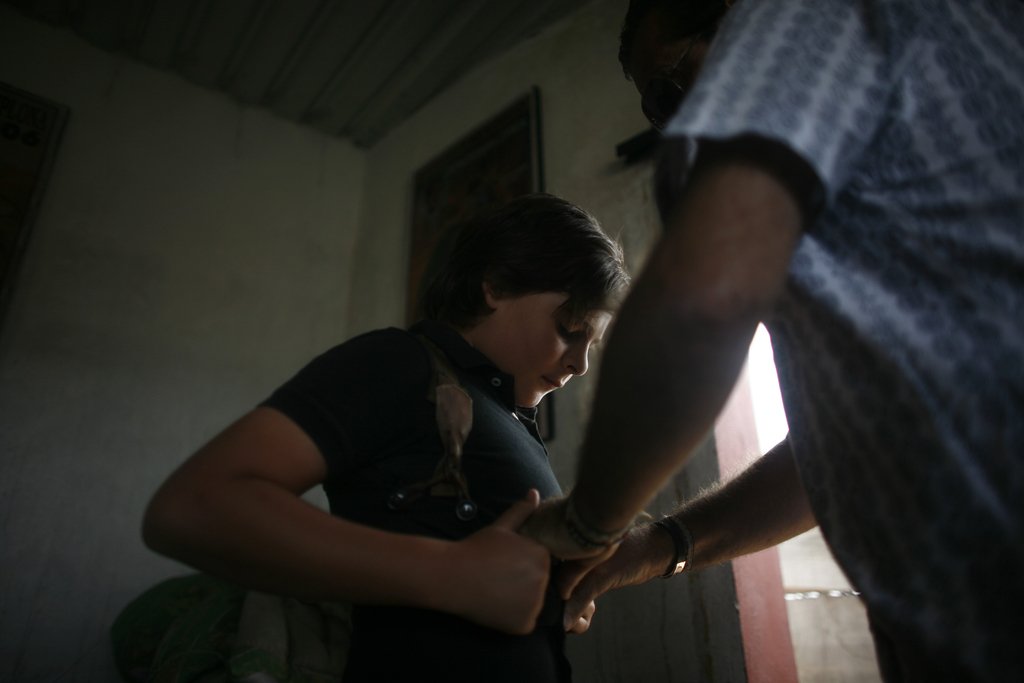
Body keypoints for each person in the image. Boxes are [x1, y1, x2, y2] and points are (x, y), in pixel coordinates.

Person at [522, 1, 1024, 681]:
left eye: (665, 93)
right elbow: (836, 453)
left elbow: (700, 305)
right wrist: (656, 546)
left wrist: (587, 524)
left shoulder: (803, 19)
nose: (677, 124)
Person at [143, 192, 630, 682]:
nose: (581, 364)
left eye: (594, 343)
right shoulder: (402, 363)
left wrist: (554, 596)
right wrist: (452, 572)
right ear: (496, 286)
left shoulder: (516, 422)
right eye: (569, 328)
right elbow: (195, 505)